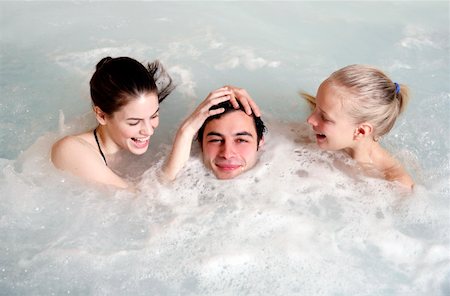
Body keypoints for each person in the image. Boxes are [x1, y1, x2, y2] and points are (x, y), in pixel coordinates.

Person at [51, 56, 175, 188]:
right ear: (101, 116)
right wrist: (185, 132)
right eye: (134, 122)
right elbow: (139, 200)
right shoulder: (71, 149)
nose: (149, 130)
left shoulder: (140, 143)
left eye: (154, 116)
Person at [303, 64, 414, 189]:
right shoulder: (323, 135)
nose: (310, 120)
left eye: (324, 117)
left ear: (361, 131)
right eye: (316, 106)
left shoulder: (394, 185)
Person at [162, 87, 266, 180]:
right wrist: (187, 130)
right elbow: (163, 187)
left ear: (260, 141)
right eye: (216, 140)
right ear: (200, 141)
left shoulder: (277, 179)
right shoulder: (190, 175)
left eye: (241, 140)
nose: (227, 154)